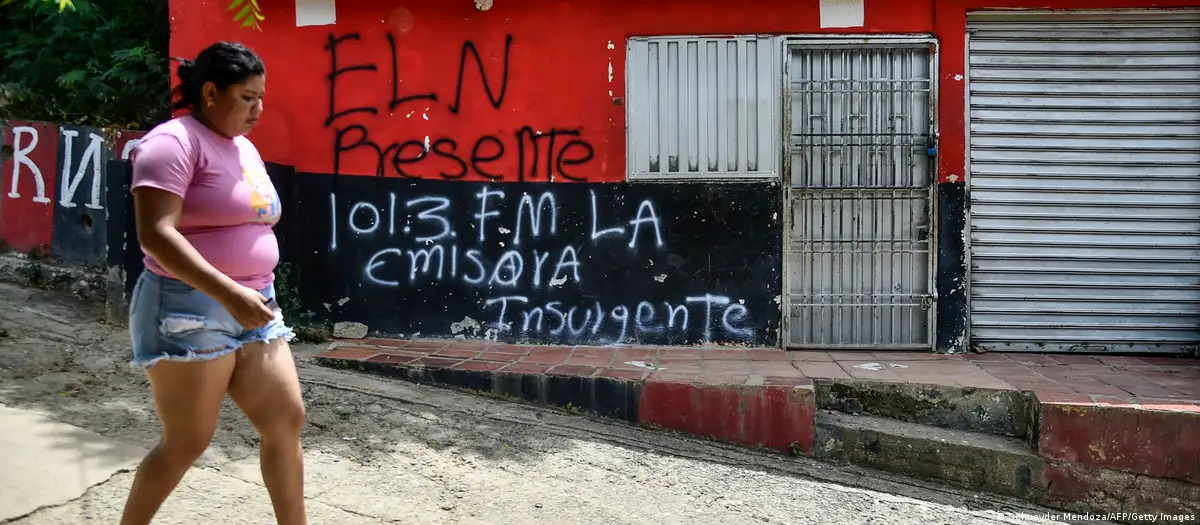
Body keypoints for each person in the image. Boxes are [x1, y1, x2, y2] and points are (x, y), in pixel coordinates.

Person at [121, 41, 307, 525]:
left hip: (255, 303)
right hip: (188, 306)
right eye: (248, 97)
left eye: (262, 97)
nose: (259, 109)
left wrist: (246, 293)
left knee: (285, 419)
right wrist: (228, 291)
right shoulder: (171, 144)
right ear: (210, 92)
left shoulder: (241, 147)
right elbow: (155, 235)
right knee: (187, 440)